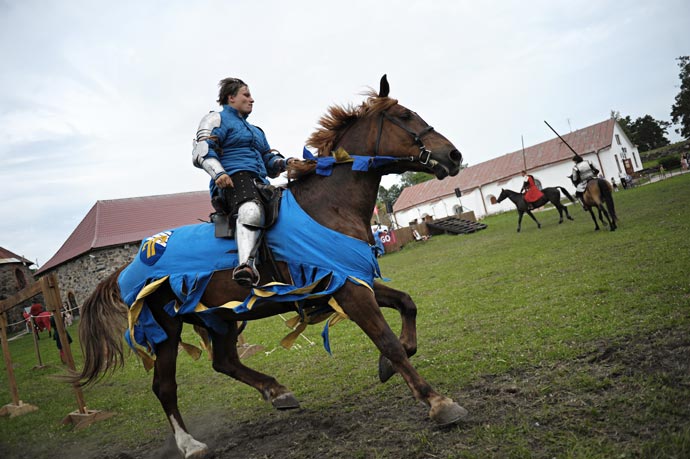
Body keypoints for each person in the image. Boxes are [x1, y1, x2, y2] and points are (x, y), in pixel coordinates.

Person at [192, 77, 294, 286]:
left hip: (260, 182)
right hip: (232, 180)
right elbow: (201, 151)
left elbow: (268, 160)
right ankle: (246, 266)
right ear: (231, 98)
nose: (252, 100)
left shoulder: (257, 131)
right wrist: (219, 173)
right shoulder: (214, 120)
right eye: (246, 95)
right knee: (251, 210)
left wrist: (286, 163)